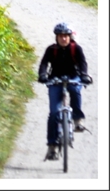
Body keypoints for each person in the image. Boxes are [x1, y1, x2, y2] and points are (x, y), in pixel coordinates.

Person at [37, 22, 92, 161]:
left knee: (75, 91)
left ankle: (78, 119)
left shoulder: (76, 48)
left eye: (66, 36)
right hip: (55, 80)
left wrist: (84, 75)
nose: (63, 39)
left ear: (70, 37)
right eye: (61, 36)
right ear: (56, 37)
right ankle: (52, 147)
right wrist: (43, 75)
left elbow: (82, 63)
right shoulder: (51, 50)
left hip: (73, 77)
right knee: (54, 113)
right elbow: (44, 64)